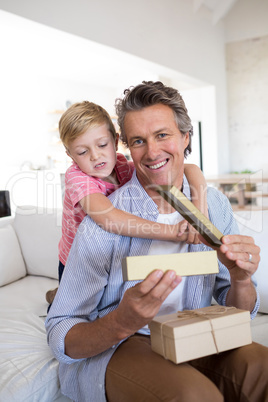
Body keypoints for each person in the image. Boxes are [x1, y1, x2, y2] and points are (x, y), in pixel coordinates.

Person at [45, 81, 268, 402]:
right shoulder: (103, 218)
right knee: (192, 395)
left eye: (163, 135)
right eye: (139, 141)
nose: (151, 152)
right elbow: (61, 333)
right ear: (128, 146)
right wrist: (121, 322)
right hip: (125, 343)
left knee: (262, 367)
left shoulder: (214, 205)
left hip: (196, 331)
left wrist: (242, 280)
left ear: (185, 137)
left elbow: (238, 312)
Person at [46, 101, 207, 304]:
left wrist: (199, 216)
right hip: (76, 261)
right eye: (82, 152)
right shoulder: (77, 177)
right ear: (70, 155)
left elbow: (191, 169)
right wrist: (173, 232)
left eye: (102, 145)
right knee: (72, 304)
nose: (96, 156)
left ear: (115, 141)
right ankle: (56, 297)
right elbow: (108, 218)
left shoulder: (122, 164)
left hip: (109, 253)